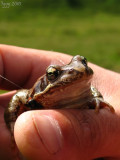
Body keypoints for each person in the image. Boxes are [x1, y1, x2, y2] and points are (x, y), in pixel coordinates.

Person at [0, 44, 120, 160]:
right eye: (53, 74)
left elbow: (92, 89)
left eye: (83, 62)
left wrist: (97, 99)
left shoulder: (88, 91)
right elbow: (19, 96)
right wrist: (12, 124)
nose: (79, 69)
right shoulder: (32, 99)